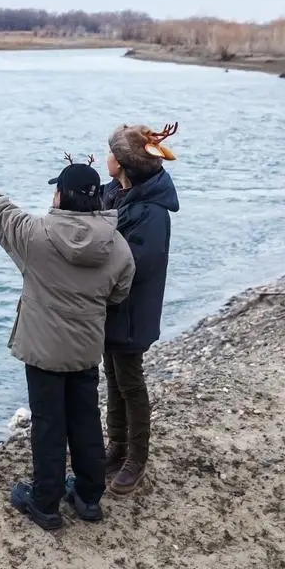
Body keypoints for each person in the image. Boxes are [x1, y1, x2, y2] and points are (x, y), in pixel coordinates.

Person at [0, 157, 135, 530]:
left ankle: (46, 504)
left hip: (43, 353)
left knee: (48, 425)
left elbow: (2, 211)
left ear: (60, 197)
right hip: (87, 350)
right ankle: (89, 499)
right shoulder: (118, 247)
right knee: (86, 421)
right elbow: (120, 293)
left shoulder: (35, 236)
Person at [102, 122, 180, 496]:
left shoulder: (151, 213)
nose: (106, 158)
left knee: (130, 383)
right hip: (110, 310)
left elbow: (138, 265)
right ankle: (116, 445)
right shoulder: (116, 193)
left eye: (111, 155)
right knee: (113, 379)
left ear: (123, 165)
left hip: (132, 312)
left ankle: (136, 458)